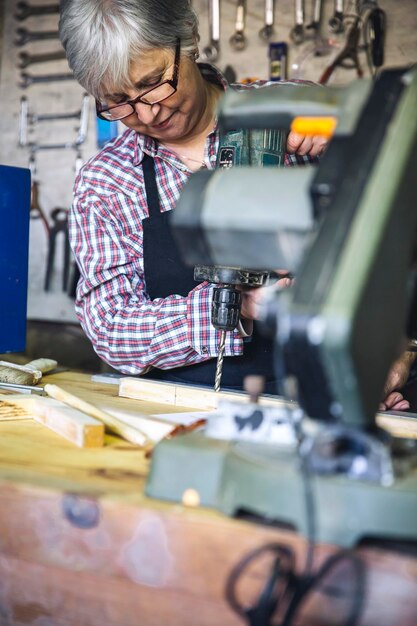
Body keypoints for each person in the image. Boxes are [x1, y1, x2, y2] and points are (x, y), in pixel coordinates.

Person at [59, 0, 411, 409]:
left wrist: (355, 147)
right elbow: (110, 329)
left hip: (331, 395)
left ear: (188, 40)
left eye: (154, 82)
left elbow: (401, 240)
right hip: (181, 409)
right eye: (119, 100)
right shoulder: (105, 181)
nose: (148, 111)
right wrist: (234, 309)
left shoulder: (296, 108)